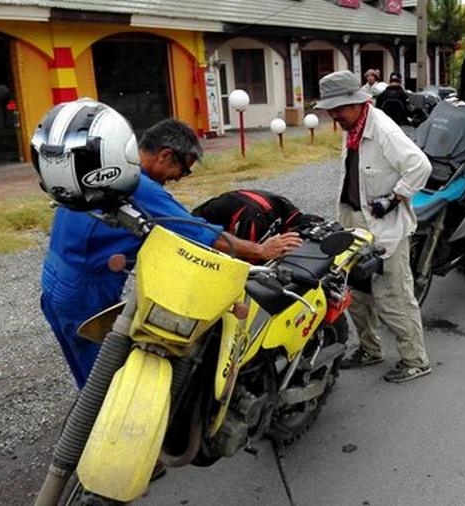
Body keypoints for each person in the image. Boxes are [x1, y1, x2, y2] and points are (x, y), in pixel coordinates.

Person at [36, 101, 301, 388]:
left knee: (85, 369)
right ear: (165, 156)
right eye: (183, 170)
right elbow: (198, 232)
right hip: (85, 289)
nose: (177, 179)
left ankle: (89, 420)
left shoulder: (104, 170)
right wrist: (261, 250)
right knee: (104, 382)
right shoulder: (136, 184)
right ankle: (108, 429)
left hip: (53, 278)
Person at [315, 70, 432, 383]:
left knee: (393, 297)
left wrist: (394, 199)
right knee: (357, 293)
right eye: (331, 109)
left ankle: (414, 359)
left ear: (356, 103)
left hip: (385, 227)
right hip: (355, 222)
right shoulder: (353, 127)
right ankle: (370, 349)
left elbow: (420, 166)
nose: (334, 115)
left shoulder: (381, 128)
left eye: (339, 108)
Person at [192, 189, 321, 243]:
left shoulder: (285, 207)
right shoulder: (258, 217)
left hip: (233, 206)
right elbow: (247, 256)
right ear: (291, 230)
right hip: (196, 228)